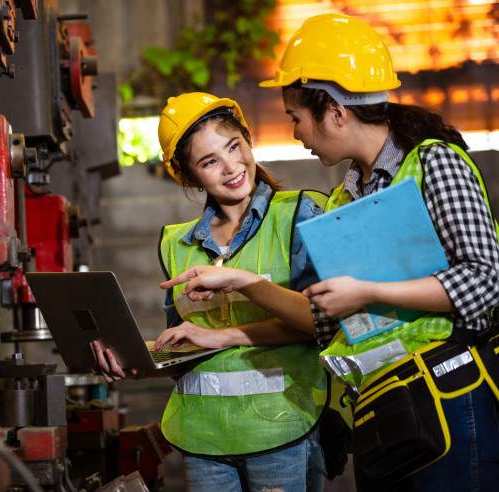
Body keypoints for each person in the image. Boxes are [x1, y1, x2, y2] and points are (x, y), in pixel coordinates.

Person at [167, 13, 499, 491]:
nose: (296, 133)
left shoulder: (433, 162)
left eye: (295, 118)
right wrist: (243, 282)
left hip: (447, 394)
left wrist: (364, 291)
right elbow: (325, 321)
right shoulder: (344, 201)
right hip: (386, 405)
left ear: (336, 111)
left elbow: (485, 280)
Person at [91, 92, 330, 492]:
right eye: (209, 161)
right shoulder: (175, 244)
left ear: (248, 139)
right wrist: (136, 360)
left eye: (233, 147)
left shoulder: (300, 214)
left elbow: (318, 323)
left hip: (283, 429)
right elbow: (185, 351)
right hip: (202, 437)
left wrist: (221, 333)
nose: (231, 166)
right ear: (188, 177)